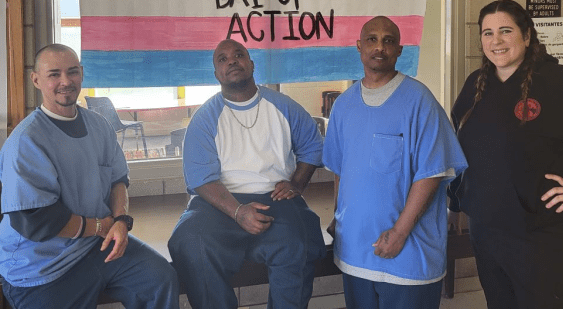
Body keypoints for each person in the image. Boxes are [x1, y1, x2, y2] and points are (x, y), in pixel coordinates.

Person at [0, 44, 179, 309]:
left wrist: (120, 221)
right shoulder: (26, 141)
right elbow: (35, 221)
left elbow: (118, 179)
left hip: (99, 245)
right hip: (43, 265)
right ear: (35, 79)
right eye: (54, 74)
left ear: (82, 74)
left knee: (160, 278)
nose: (65, 81)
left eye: (72, 72)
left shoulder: (99, 125)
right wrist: (100, 226)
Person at [449, 0, 563, 309]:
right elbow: (460, 151)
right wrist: (456, 203)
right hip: (487, 234)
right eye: (488, 33)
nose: (496, 41)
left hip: (544, 239)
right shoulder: (476, 85)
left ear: (527, 35)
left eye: (506, 30)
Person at [168, 39, 326, 309]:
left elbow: (313, 145)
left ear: (251, 64)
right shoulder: (205, 118)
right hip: (219, 201)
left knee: (298, 240)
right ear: (217, 74)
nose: (231, 61)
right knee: (190, 242)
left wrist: (297, 183)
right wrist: (238, 211)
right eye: (222, 59)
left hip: (275, 197)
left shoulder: (283, 106)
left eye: (238, 55)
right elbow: (201, 178)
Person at [323, 16, 468, 309]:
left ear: (400, 50)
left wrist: (400, 233)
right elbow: (340, 171)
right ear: (359, 46)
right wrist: (338, 219)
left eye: (388, 41)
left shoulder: (419, 101)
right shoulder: (344, 105)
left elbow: (432, 174)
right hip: (355, 251)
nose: (380, 47)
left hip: (409, 255)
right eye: (372, 39)